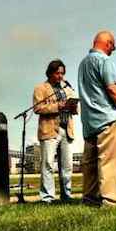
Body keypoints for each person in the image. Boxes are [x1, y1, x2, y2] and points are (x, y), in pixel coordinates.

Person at [77, 31, 116, 207]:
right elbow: (112, 89)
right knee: (110, 162)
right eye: (113, 47)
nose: (113, 51)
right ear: (108, 44)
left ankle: (89, 199)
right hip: (106, 118)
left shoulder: (83, 63)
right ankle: (110, 201)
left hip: (89, 121)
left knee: (91, 164)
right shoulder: (104, 61)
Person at [33, 59, 78, 203]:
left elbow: (74, 107)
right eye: (58, 73)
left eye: (62, 73)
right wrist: (57, 106)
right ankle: (47, 198)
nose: (61, 76)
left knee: (67, 166)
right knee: (47, 165)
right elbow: (37, 108)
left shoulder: (66, 88)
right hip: (50, 131)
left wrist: (73, 106)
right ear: (50, 73)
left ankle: (67, 195)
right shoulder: (41, 88)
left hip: (66, 130)